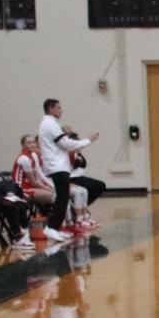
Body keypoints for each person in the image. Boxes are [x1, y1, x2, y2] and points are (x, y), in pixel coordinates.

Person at [36, 98, 101, 233]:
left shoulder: (51, 123)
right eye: (58, 108)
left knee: (63, 197)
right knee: (62, 197)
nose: (61, 110)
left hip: (59, 166)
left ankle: (54, 228)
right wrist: (88, 140)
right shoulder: (49, 124)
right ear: (50, 109)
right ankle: (52, 228)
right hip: (56, 166)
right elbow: (66, 144)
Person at [11, 134, 57, 214]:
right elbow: (33, 182)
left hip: (30, 187)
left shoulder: (32, 156)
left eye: (33, 142)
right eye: (29, 143)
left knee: (58, 194)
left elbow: (39, 176)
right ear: (23, 145)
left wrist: (51, 187)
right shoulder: (24, 158)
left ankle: (66, 221)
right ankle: (57, 222)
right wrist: (47, 188)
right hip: (20, 189)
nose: (32, 144)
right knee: (55, 197)